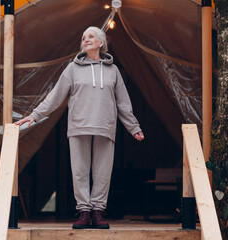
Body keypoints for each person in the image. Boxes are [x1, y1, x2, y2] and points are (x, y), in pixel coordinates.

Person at [15, 26, 144, 229]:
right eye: (84, 37)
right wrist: (34, 116)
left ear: (101, 43)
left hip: (105, 125)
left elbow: (123, 102)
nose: (86, 39)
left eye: (91, 36)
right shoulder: (72, 69)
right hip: (79, 125)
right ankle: (84, 212)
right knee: (80, 171)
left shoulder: (113, 71)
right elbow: (55, 96)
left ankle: (98, 212)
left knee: (102, 171)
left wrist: (133, 127)